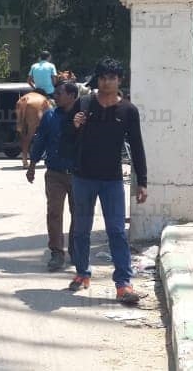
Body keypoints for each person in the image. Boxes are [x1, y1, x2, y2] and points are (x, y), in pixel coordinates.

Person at [68, 57, 148, 303]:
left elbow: (137, 146)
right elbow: (65, 139)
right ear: (98, 80)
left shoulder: (128, 110)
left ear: (119, 80)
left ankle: (123, 283)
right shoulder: (83, 104)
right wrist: (74, 125)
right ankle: (82, 273)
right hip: (83, 178)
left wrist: (142, 182)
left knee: (116, 232)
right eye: (102, 77)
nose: (106, 82)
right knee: (81, 230)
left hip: (112, 181)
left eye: (111, 78)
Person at [26, 81, 80, 271]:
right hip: (55, 173)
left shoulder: (83, 116)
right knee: (54, 213)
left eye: (59, 93)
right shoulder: (49, 116)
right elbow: (40, 141)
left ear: (72, 96)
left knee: (79, 214)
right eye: (55, 93)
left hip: (78, 174)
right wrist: (32, 165)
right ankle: (57, 253)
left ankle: (76, 250)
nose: (55, 96)